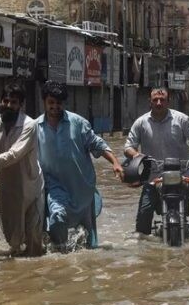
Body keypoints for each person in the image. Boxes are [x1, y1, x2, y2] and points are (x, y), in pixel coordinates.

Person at [36, 81, 124, 251]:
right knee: (57, 217)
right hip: (55, 186)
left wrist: (115, 162)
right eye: (51, 103)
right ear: (44, 103)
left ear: (64, 103)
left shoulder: (78, 123)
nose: (55, 107)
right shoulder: (35, 127)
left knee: (90, 239)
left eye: (59, 103)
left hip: (82, 187)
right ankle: (61, 255)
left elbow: (97, 144)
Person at [124, 87, 189, 235]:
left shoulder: (181, 119)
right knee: (143, 216)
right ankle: (143, 246)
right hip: (154, 177)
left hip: (184, 173)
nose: (159, 103)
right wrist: (137, 156)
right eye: (155, 100)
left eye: (162, 100)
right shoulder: (141, 122)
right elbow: (128, 146)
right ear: (150, 102)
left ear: (169, 101)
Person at [0, 84, 45, 257]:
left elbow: (14, 154)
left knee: (33, 242)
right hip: (8, 186)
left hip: (31, 186)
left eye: (13, 102)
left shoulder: (30, 125)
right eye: (5, 100)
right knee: (13, 239)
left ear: (21, 105)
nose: (8, 105)